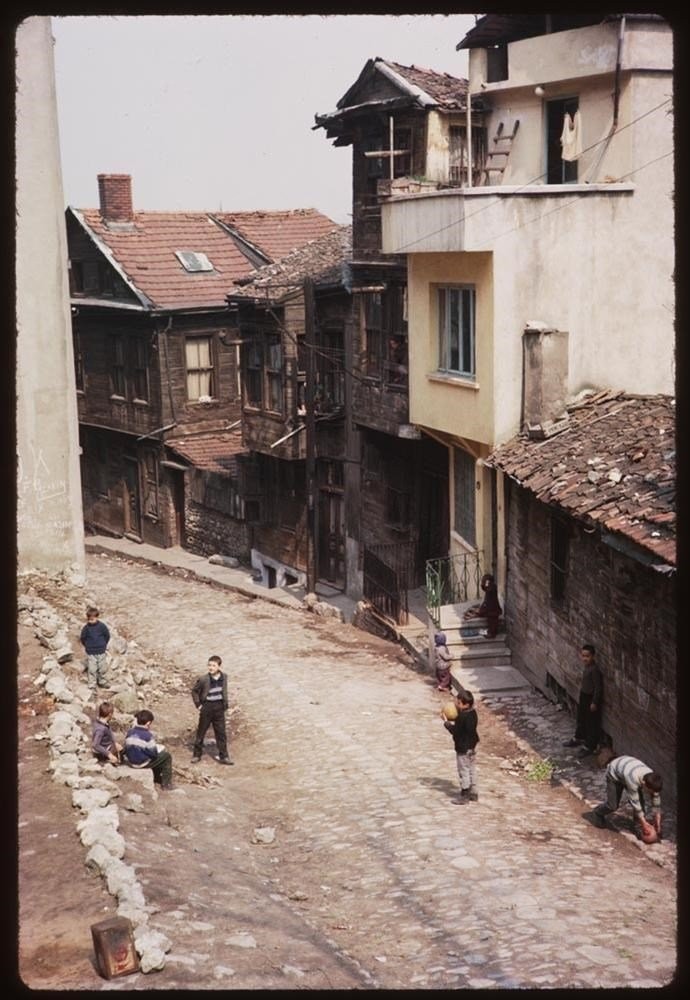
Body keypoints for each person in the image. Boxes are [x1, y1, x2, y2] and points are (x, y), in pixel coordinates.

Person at [594, 754, 662, 841]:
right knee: (612, 805)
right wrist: (644, 823)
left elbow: (656, 799)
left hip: (627, 768)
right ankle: (598, 813)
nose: (651, 793)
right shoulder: (632, 779)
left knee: (641, 803)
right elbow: (635, 802)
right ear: (644, 785)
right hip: (615, 774)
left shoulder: (653, 779)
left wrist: (657, 821)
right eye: (650, 791)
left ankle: (637, 825)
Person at [191, 655, 233, 765]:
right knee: (201, 732)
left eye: (214, 665)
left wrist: (225, 705)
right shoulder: (204, 679)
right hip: (207, 707)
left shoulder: (224, 677)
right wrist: (198, 705)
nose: (211, 668)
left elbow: (224, 691)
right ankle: (196, 754)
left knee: (221, 733)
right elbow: (194, 691)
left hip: (219, 707)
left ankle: (224, 756)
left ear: (219, 666)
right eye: (209, 665)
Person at [562, 644, 603, 757]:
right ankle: (579, 738)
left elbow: (598, 687)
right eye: (583, 655)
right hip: (584, 696)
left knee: (591, 722)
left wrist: (594, 701)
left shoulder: (594, 670)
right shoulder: (587, 667)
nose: (585, 658)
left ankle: (590, 746)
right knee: (581, 718)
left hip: (590, 698)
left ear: (593, 656)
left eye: (587, 656)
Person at [442, 689, 479, 802]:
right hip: (472, 746)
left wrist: (446, 723)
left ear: (465, 704)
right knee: (471, 769)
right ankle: (474, 793)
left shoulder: (461, 717)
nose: (457, 705)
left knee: (463, 770)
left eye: (458, 703)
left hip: (463, 747)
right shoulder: (473, 713)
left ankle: (464, 794)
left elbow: (455, 731)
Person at [123, 709, 174, 789]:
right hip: (141, 763)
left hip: (131, 761)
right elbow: (153, 753)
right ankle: (166, 784)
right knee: (166, 757)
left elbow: (126, 747)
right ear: (148, 723)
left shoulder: (130, 732)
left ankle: (156, 778)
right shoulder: (147, 736)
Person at [80, 606, 111, 691]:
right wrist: (87, 645)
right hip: (91, 652)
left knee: (102, 668)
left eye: (92, 619)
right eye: (89, 619)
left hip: (101, 650)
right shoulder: (86, 628)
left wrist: (103, 644)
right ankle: (92, 684)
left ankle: (102, 681)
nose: (90, 621)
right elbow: (83, 638)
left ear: (97, 617)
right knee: (92, 668)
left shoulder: (102, 626)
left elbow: (107, 636)